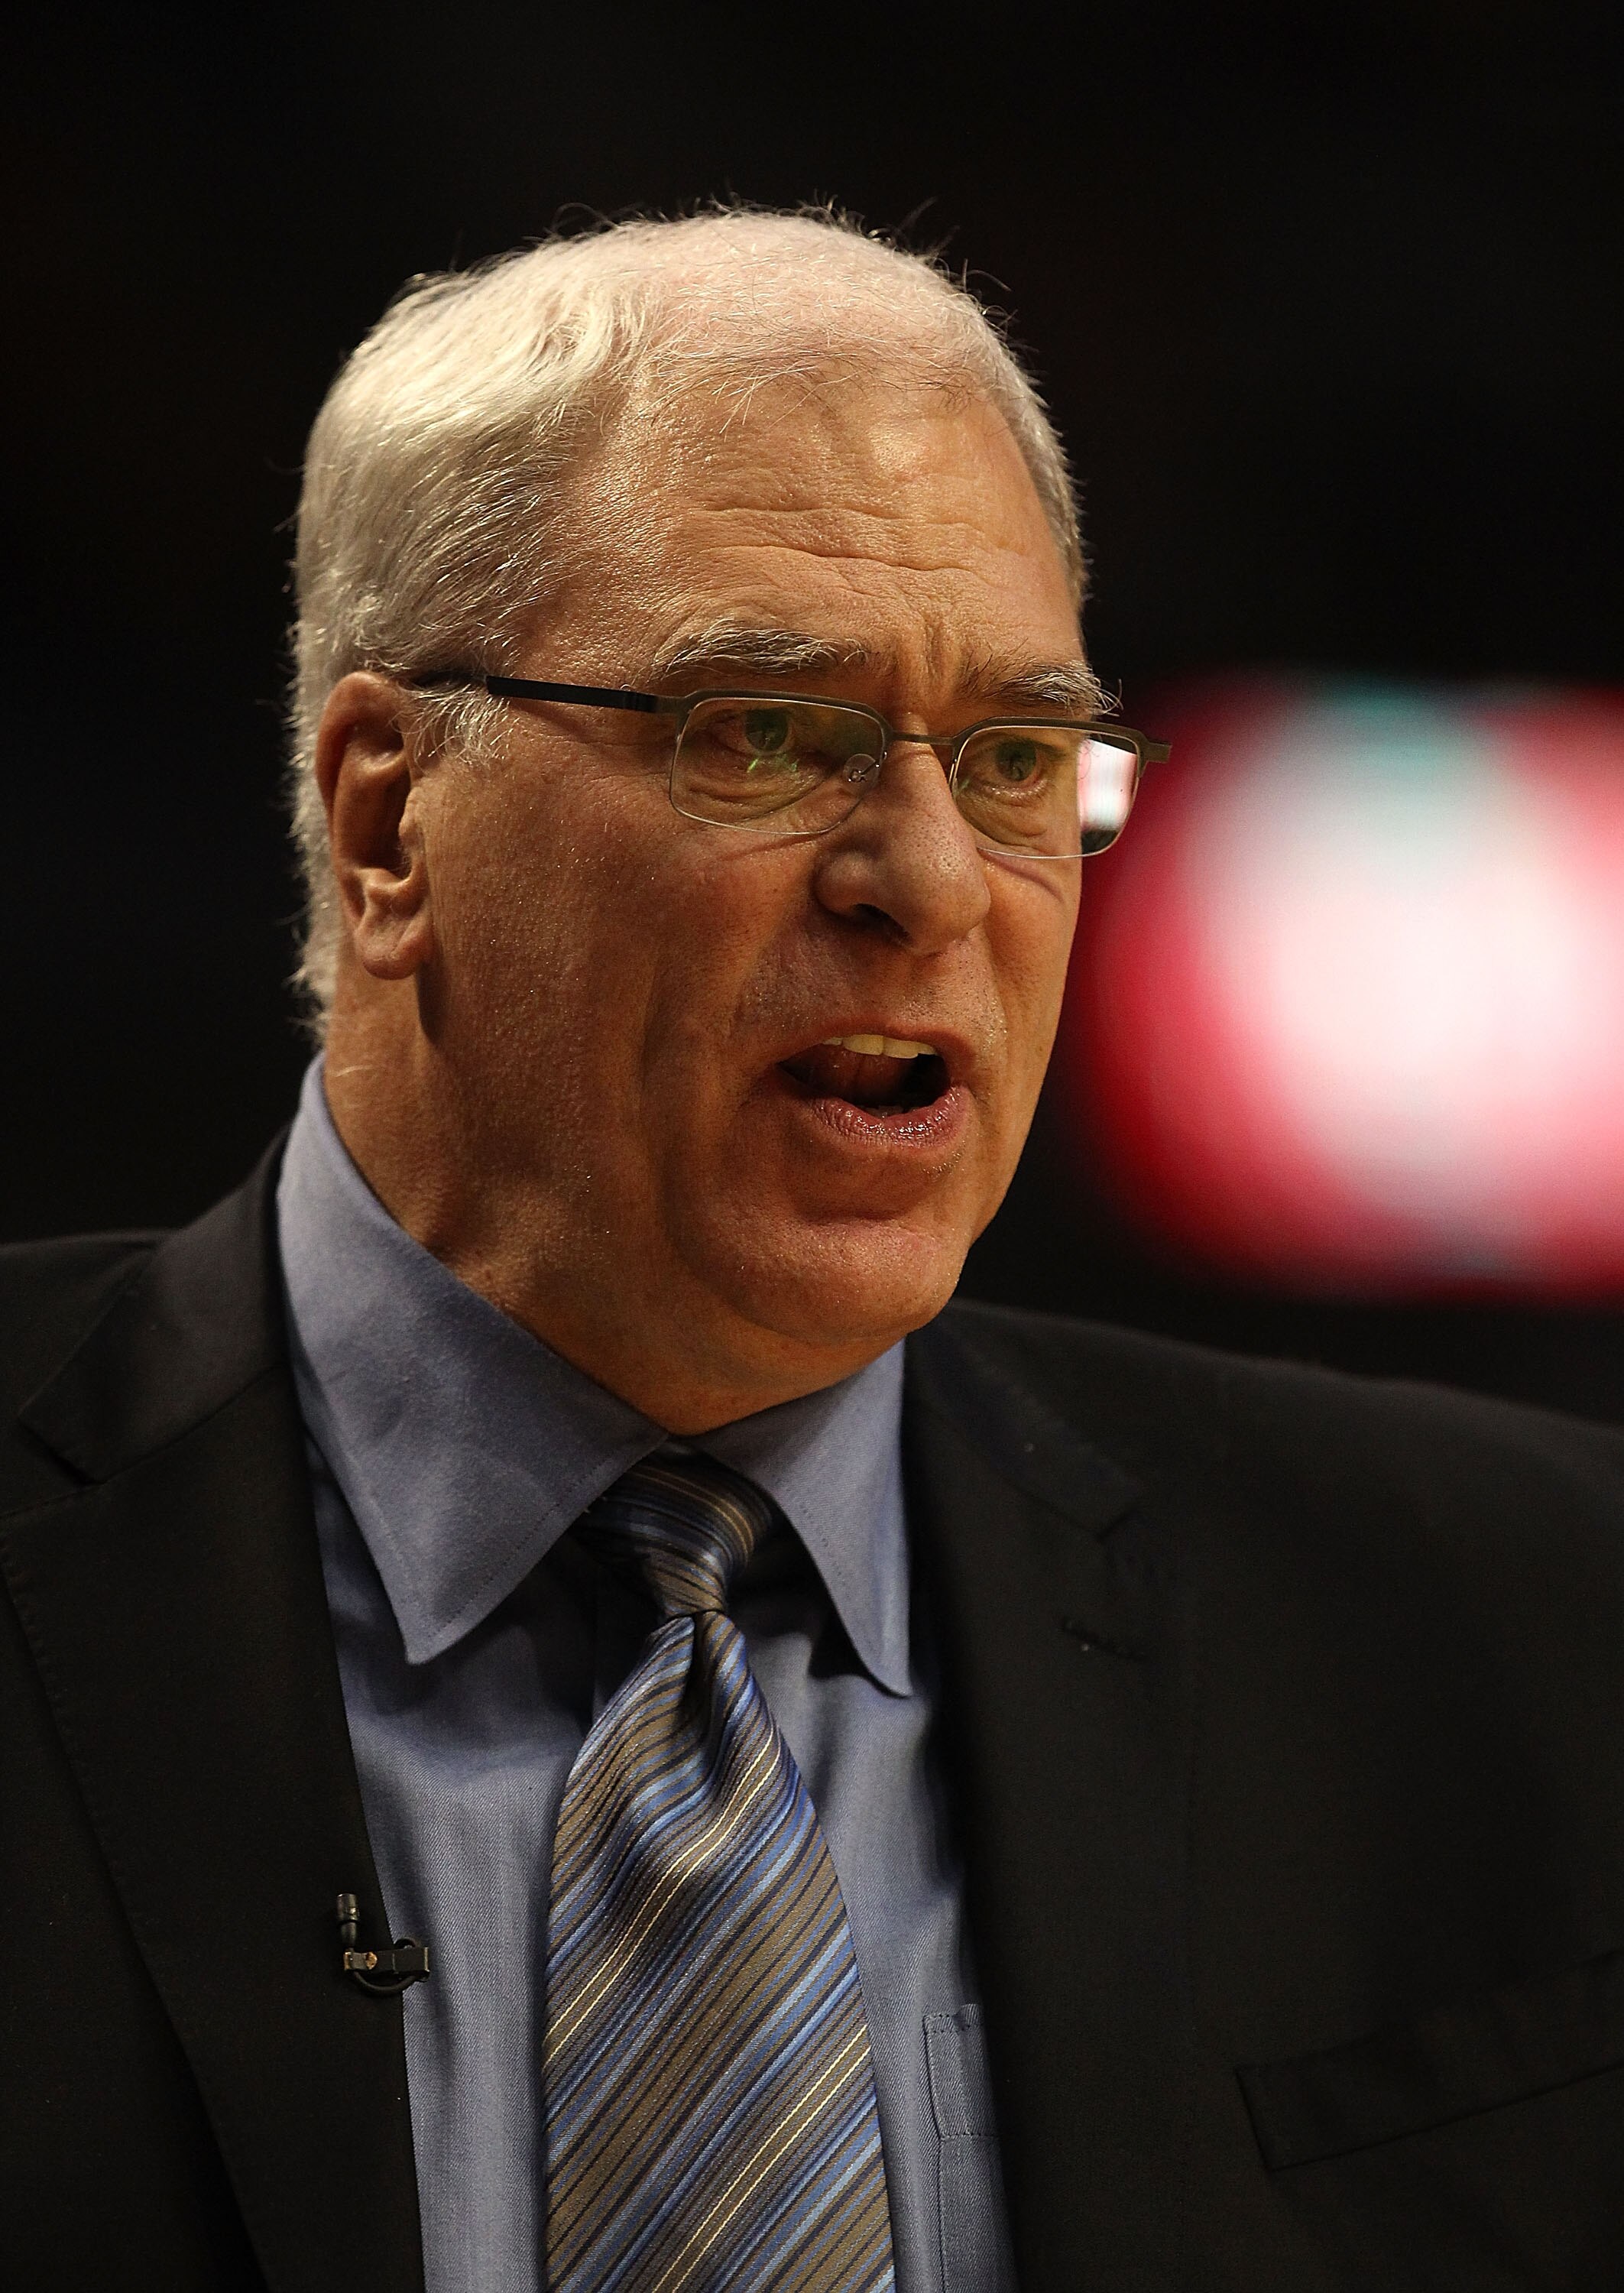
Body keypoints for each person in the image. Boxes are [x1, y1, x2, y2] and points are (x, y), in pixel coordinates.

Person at [3, 209, 1622, 2293]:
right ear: (393, 817)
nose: (931, 877)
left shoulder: (1532, 1629)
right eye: (765, 733)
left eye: (1020, 758)